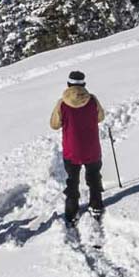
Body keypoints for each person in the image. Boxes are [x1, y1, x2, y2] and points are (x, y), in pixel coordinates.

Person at [50, 69, 105, 225]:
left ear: (68, 85)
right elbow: (100, 117)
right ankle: (96, 205)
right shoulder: (92, 100)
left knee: (72, 181)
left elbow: (54, 125)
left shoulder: (62, 103)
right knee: (94, 178)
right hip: (92, 148)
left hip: (71, 150)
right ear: (84, 84)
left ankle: (71, 211)